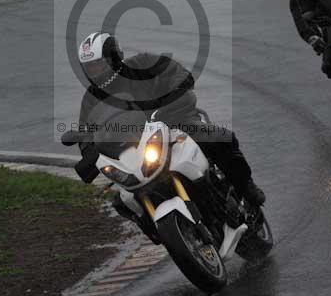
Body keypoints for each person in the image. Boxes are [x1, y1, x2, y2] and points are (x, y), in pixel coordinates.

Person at [70, 31, 265, 214]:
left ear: (114, 56)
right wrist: (89, 151)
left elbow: (175, 72)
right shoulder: (91, 99)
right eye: (89, 67)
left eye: (98, 64)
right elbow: (86, 132)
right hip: (135, 149)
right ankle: (163, 232)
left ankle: (245, 186)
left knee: (220, 139)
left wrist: (175, 91)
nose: (95, 71)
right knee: (123, 202)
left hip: (175, 122)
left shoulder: (142, 63)